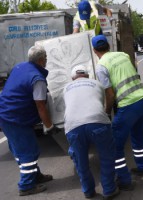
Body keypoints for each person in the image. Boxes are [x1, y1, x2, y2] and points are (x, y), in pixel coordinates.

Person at [92, 34, 143, 191]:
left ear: (94, 50)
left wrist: (106, 113)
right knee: (138, 138)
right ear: (109, 46)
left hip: (129, 106)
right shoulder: (123, 55)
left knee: (114, 145)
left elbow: (110, 94)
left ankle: (124, 180)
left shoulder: (101, 66)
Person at [0, 45, 60, 196]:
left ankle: (35, 176)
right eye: (45, 58)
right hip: (15, 118)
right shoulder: (37, 79)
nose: (46, 60)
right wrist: (50, 126)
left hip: (6, 114)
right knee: (29, 151)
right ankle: (26, 186)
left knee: (22, 149)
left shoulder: (20, 67)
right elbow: (40, 105)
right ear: (41, 61)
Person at [63, 65, 119, 199]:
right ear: (88, 75)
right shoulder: (97, 84)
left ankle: (88, 191)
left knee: (80, 161)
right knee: (106, 156)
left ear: (72, 78)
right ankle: (109, 189)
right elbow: (100, 102)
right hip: (97, 121)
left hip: (73, 126)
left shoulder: (66, 88)